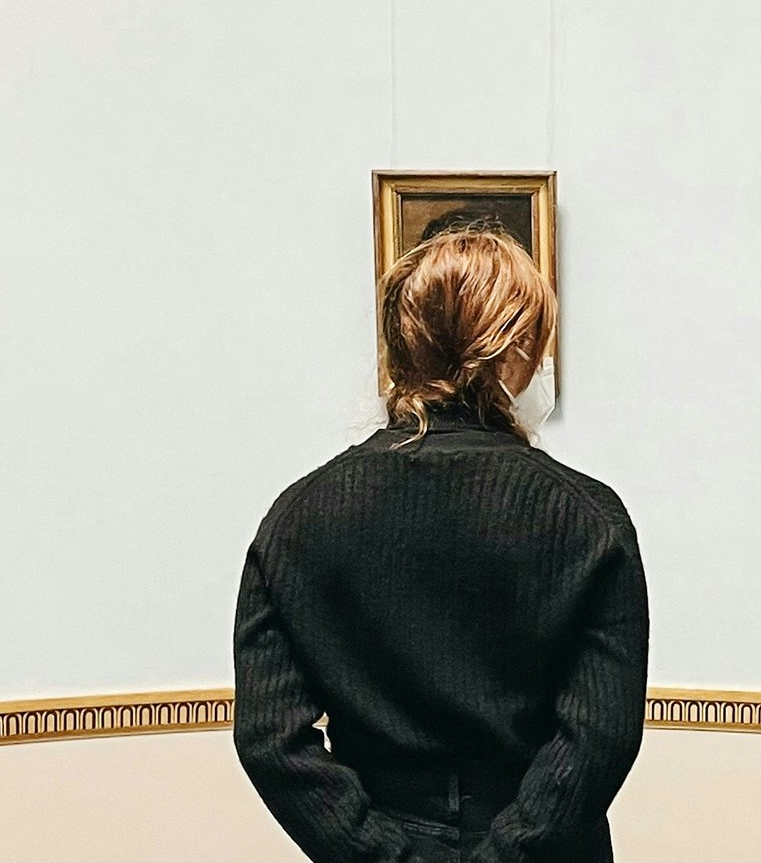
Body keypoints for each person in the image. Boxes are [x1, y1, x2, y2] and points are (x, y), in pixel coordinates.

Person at [233, 225, 648, 862]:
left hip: (373, 838)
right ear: (516, 351)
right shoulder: (587, 518)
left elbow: (270, 737)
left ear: (402, 348)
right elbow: (599, 736)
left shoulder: (298, 519)